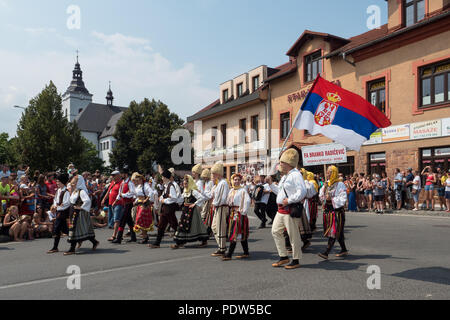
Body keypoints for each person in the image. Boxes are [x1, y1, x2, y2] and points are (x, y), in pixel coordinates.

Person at [271, 148, 306, 270]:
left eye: (282, 162)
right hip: (280, 209)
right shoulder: (285, 176)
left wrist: (289, 200)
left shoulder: (296, 175)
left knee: (293, 235)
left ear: (289, 163)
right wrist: (271, 184)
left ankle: (295, 259)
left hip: (289, 209)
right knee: (275, 231)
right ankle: (283, 256)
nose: (280, 164)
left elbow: (302, 192)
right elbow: (280, 192)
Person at [318, 165, 349, 260]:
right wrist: (324, 197)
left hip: (337, 212)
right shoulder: (326, 184)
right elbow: (320, 195)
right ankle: (344, 249)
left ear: (334, 173)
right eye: (327, 172)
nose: (327, 174)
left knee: (333, 232)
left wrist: (331, 199)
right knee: (339, 233)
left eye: (329, 172)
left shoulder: (340, 184)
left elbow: (343, 198)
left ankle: (326, 252)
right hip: (328, 211)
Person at [64, 175, 99, 255]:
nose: (73, 184)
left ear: (79, 182)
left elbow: (87, 201)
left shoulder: (82, 191)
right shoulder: (75, 191)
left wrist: (81, 207)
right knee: (81, 230)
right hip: (73, 212)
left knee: (75, 230)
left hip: (79, 214)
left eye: (74, 182)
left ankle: (72, 249)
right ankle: (94, 242)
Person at [171, 175, 209, 249]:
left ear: (190, 183)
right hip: (185, 210)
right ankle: (180, 242)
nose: (184, 185)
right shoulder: (185, 191)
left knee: (196, 225)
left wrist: (194, 204)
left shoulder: (193, 191)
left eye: (186, 184)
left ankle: (204, 241)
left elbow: (202, 198)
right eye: (184, 184)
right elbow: (181, 200)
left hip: (192, 211)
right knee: (182, 225)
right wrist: (173, 200)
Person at [222, 173, 251, 261]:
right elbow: (227, 200)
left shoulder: (243, 191)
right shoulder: (231, 190)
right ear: (232, 181)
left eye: (238, 180)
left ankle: (229, 254)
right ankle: (246, 252)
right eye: (235, 180)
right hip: (232, 213)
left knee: (234, 233)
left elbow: (247, 201)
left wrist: (243, 211)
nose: (236, 181)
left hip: (239, 214)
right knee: (240, 232)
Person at [149, 170, 179, 248]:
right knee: (161, 226)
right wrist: (161, 198)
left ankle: (180, 241)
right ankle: (157, 243)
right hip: (165, 210)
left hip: (169, 209)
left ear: (166, 177)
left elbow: (174, 198)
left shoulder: (171, 186)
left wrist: (164, 200)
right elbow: (164, 195)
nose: (162, 178)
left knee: (174, 225)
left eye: (162, 177)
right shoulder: (166, 186)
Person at [47, 173, 71, 254]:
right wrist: (54, 205)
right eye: (56, 181)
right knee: (65, 229)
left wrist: (58, 207)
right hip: (58, 211)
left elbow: (67, 203)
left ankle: (55, 247)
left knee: (57, 228)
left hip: (63, 212)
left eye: (58, 182)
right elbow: (55, 199)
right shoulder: (58, 190)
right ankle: (76, 239)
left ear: (63, 182)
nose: (57, 183)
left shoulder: (66, 191)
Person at [210, 162, 230, 257]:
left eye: (214, 173)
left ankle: (222, 248)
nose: (212, 175)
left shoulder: (223, 183)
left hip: (221, 207)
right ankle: (221, 245)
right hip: (218, 207)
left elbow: (222, 198)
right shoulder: (219, 183)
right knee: (214, 227)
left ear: (218, 173)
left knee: (220, 227)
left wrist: (215, 203)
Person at [113, 167, 137, 244]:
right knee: (129, 221)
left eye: (122, 174)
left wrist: (123, 195)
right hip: (124, 203)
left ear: (125, 174)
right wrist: (116, 201)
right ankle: (133, 237)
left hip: (128, 204)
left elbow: (132, 193)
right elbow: (119, 193)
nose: (121, 175)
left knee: (122, 220)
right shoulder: (123, 182)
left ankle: (119, 238)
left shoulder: (130, 183)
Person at [133, 173, 156, 244]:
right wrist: (135, 201)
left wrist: (146, 199)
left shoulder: (145, 185)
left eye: (138, 180)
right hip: (139, 204)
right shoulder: (139, 186)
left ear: (141, 179)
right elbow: (137, 195)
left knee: (140, 219)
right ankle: (145, 236)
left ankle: (145, 236)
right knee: (141, 220)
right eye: (137, 180)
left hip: (144, 204)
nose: (137, 181)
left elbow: (151, 192)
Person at [104, 171, 123, 242]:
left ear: (118, 175)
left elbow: (120, 194)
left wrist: (115, 201)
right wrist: (104, 199)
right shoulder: (112, 183)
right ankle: (120, 234)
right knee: (118, 220)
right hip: (111, 203)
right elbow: (108, 192)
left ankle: (114, 236)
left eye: (114, 175)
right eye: (112, 175)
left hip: (118, 203)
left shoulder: (121, 183)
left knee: (116, 220)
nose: (113, 177)